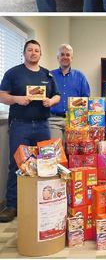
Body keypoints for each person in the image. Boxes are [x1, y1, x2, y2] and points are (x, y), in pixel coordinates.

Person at [0, 40, 60, 223]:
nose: (33, 53)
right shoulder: (13, 73)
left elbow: (57, 95)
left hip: (42, 125)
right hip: (21, 125)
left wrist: (51, 102)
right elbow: (2, 95)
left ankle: (41, 201)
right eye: (30, 50)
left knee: (45, 165)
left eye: (36, 50)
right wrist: (17, 99)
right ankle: (12, 205)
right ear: (24, 53)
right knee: (17, 164)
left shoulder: (47, 74)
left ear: (40, 54)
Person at [49, 44, 90, 142]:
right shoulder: (50, 76)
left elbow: (86, 99)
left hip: (75, 121)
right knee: (56, 152)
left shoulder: (80, 77)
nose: (65, 57)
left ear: (72, 58)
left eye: (68, 55)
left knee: (74, 153)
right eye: (62, 54)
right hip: (54, 120)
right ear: (58, 57)